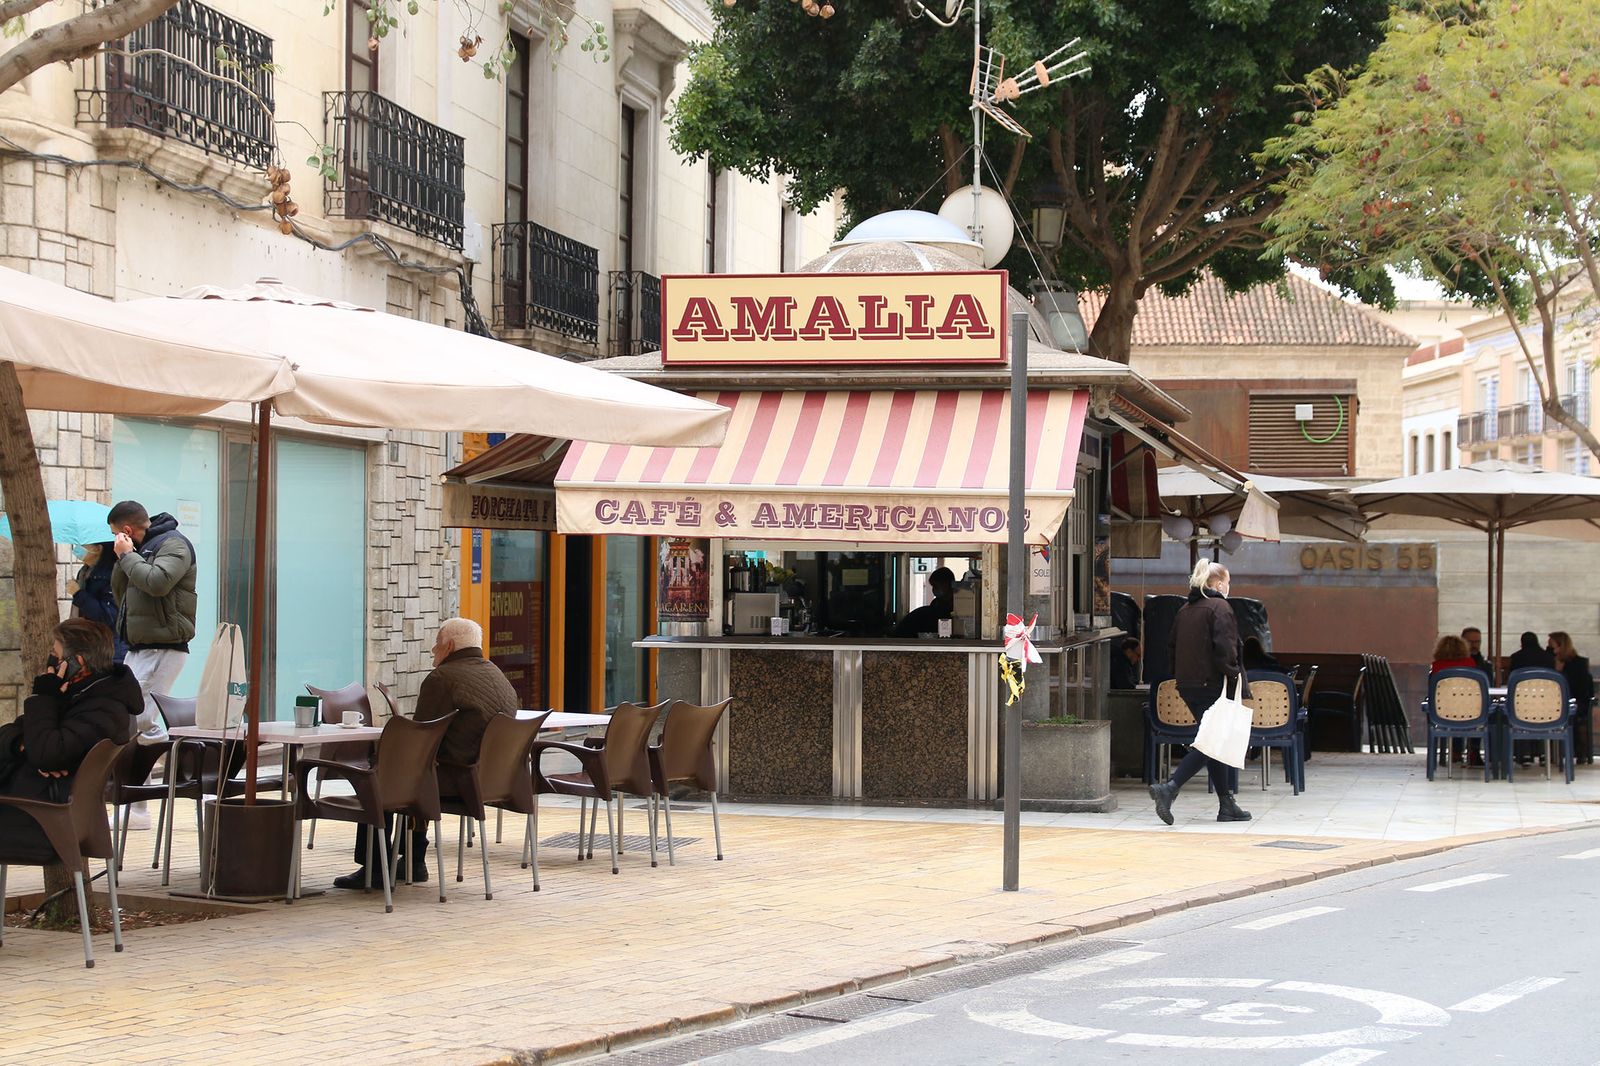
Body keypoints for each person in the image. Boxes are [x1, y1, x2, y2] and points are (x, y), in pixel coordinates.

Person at [335, 618, 519, 891]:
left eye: (436, 645)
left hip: (456, 778)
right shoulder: (498, 676)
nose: (433, 651)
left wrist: (383, 754)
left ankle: (374, 867)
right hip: (488, 779)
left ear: (450, 646)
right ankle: (413, 860)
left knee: (382, 775)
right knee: (416, 771)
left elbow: (419, 739)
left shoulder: (443, 678)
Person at [0, 619, 141, 861]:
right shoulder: (79, 696)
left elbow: (47, 754)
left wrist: (43, 697)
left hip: (40, 819)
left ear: (78, 662)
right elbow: (10, 734)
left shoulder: (103, 709)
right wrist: (24, 747)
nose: (51, 662)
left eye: (55, 654)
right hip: (34, 807)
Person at [1148, 560, 1253, 825]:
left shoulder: (1185, 609)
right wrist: (1233, 676)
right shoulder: (1220, 607)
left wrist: (1181, 676)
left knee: (1212, 738)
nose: (1229, 587)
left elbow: (1171, 646)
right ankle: (1170, 788)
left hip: (1187, 684)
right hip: (1214, 684)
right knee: (1211, 741)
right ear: (1218, 584)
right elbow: (1226, 649)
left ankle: (1226, 805)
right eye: (1227, 582)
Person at [108, 500, 197, 747]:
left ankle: (179, 758)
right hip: (138, 646)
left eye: (116, 534)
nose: (115, 540)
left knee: (140, 721)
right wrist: (123, 559)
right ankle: (139, 782)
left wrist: (127, 555)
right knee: (127, 718)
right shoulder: (141, 548)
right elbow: (123, 595)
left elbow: (157, 583)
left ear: (126, 530)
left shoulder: (174, 544)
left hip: (164, 646)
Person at [69, 542, 127, 663]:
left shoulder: (110, 575)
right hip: (89, 645)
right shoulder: (84, 573)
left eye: (84, 545)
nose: (78, 548)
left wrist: (78, 594)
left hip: (111, 648)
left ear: (98, 549)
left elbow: (108, 616)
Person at [1549, 631, 1595, 764]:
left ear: (1560, 646)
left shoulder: (1578, 663)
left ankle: (1577, 751)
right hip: (1556, 700)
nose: (1550, 651)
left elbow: (1580, 687)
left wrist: (1560, 672)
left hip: (1576, 700)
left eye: (1552, 647)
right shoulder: (1550, 662)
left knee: (1570, 715)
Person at [893, 567, 955, 637]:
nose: (934, 589)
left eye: (936, 586)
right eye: (933, 586)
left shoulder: (957, 607)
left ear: (947, 584)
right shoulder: (933, 607)